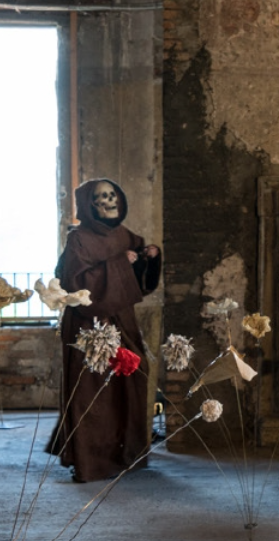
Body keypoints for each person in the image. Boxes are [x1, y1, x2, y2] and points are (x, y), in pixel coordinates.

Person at [47, 178, 161, 482]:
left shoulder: (124, 234)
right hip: (89, 324)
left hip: (122, 320)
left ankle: (125, 456)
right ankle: (90, 462)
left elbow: (138, 281)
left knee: (134, 375)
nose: (109, 202)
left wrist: (148, 257)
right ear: (89, 205)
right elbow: (76, 284)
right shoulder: (79, 239)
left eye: (112, 196)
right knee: (93, 390)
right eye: (101, 198)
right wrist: (120, 263)